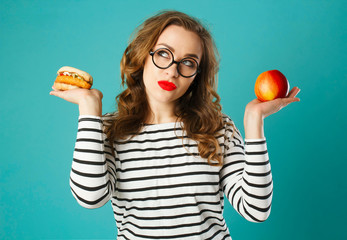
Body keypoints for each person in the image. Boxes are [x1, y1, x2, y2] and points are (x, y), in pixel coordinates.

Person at [50, 10, 300, 240]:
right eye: (163, 54)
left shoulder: (218, 128)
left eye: (188, 62)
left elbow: (256, 210)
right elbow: (90, 197)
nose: (172, 71)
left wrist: (254, 121)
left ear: (197, 75)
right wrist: (89, 111)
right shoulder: (109, 130)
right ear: (142, 56)